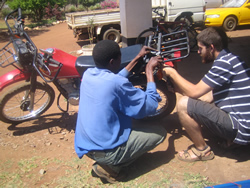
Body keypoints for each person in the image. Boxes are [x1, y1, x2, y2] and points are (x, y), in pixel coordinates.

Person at [74, 40, 167, 183]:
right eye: (119, 58)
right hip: (104, 151)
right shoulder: (116, 83)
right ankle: (111, 168)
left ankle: (109, 159)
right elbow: (150, 104)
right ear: (112, 62)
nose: (121, 60)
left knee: (130, 123)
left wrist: (137, 58)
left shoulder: (88, 74)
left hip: (86, 144)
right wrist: (149, 71)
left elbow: (115, 79)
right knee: (159, 133)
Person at [162, 27, 250, 162]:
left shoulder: (224, 64)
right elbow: (206, 97)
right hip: (244, 123)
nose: (198, 52)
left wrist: (172, 72)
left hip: (242, 126)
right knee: (192, 102)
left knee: (183, 104)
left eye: (200, 48)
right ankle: (232, 140)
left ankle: (201, 150)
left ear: (211, 47)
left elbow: (194, 92)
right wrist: (178, 90)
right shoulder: (230, 59)